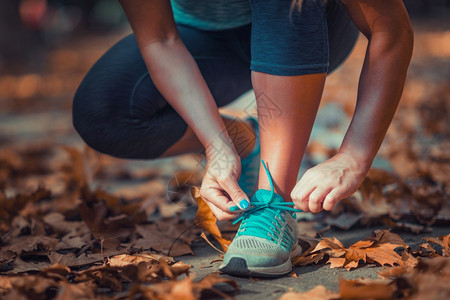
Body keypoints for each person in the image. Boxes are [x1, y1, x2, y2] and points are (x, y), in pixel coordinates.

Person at [72, 0, 413, 277]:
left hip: (309, 23)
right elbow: (159, 39)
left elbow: (391, 27)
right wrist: (217, 143)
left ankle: (272, 205)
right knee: (103, 113)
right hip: (205, 41)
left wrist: (354, 155)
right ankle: (245, 140)